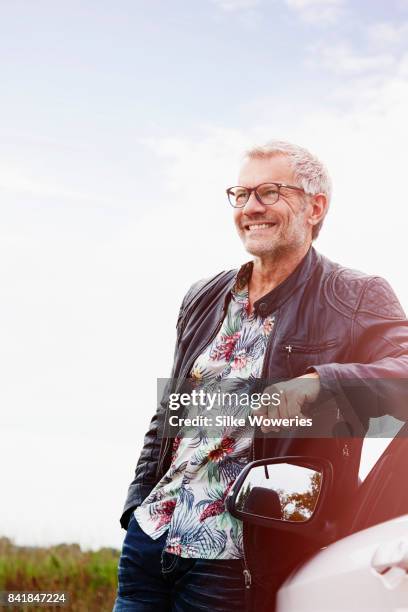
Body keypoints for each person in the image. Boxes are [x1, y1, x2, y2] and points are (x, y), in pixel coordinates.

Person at [113, 140, 408, 612]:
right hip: (151, 541)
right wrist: (136, 508)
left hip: (241, 559)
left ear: (315, 207)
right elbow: (171, 414)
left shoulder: (355, 296)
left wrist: (322, 381)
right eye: (241, 194)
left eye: (270, 192)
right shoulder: (204, 296)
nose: (251, 208)